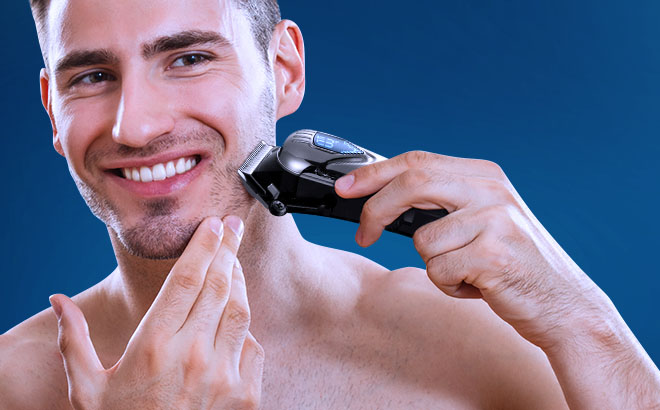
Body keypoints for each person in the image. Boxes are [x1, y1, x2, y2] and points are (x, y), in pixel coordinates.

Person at [1, 0, 658, 408]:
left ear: (283, 70)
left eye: (189, 57)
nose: (135, 127)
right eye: (91, 76)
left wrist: (585, 323)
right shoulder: (12, 384)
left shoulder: (481, 345)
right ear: (53, 112)